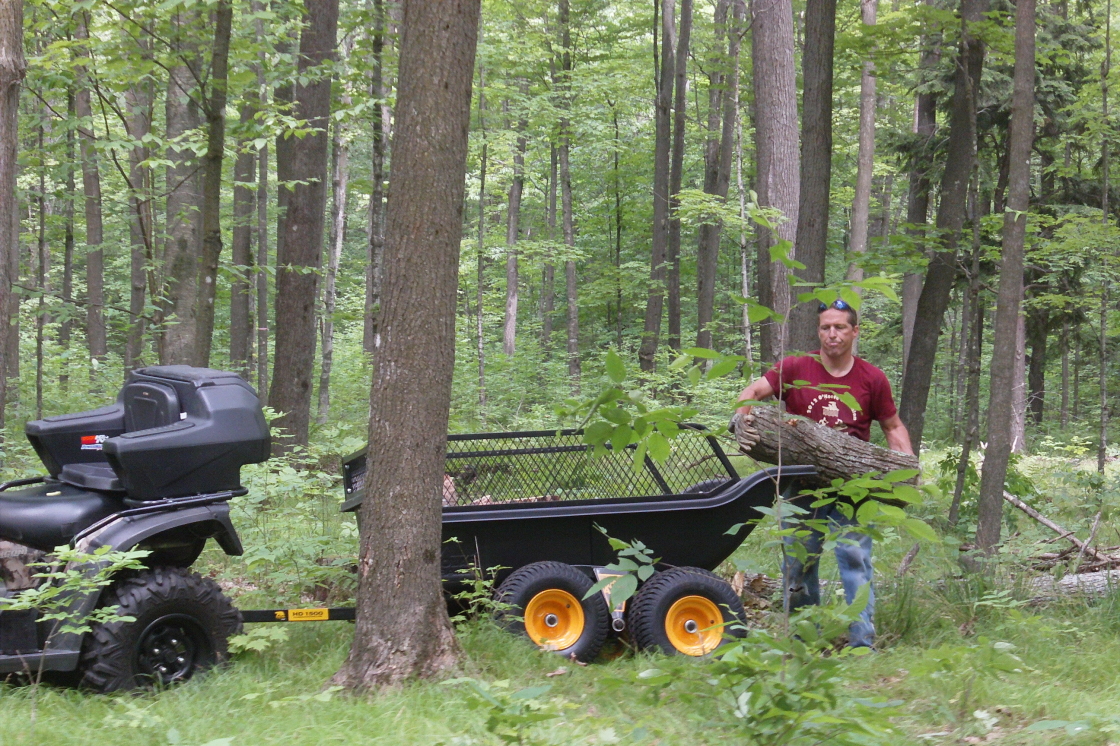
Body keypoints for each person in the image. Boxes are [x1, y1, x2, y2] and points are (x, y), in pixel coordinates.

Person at [734, 299, 913, 648]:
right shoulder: (797, 367)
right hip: (801, 484)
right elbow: (755, 392)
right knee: (798, 564)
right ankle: (805, 641)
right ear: (819, 331)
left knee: (855, 559)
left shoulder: (871, 378)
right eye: (826, 327)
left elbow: (892, 425)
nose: (832, 334)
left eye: (840, 327)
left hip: (853, 486)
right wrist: (741, 417)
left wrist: (906, 467)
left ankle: (862, 644)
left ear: (855, 331)